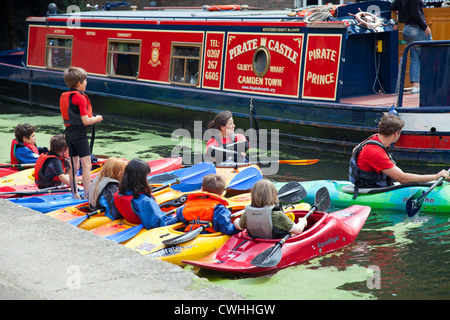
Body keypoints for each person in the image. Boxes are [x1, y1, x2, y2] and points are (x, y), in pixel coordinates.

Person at [349, 113, 449, 197]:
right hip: (370, 191)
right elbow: (402, 179)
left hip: (370, 185)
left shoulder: (374, 138)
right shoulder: (375, 152)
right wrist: (436, 176)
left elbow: (355, 150)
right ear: (396, 133)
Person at [60, 66, 103, 200]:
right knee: (86, 164)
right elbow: (85, 120)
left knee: (74, 165)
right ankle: (87, 195)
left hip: (68, 134)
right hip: (79, 134)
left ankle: (75, 194)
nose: (86, 83)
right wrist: (97, 118)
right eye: (85, 81)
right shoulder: (81, 98)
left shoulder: (64, 96)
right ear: (79, 83)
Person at [234, 179, 307, 238]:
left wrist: (236, 220)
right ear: (274, 195)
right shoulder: (278, 216)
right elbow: (298, 230)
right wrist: (303, 221)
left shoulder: (247, 214)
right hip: (276, 242)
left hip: (256, 240)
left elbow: (239, 226)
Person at [169, 174, 239, 235]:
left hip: (189, 233)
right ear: (222, 193)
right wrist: (238, 229)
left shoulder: (188, 204)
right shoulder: (219, 208)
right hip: (207, 236)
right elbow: (226, 228)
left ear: (202, 189)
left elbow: (179, 217)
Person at [113, 158, 172, 229]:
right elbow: (156, 223)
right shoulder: (143, 200)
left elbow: (116, 215)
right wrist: (180, 214)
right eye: (147, 175)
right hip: (146, 225)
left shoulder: (119, 193)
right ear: (142, 178)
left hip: (130, 222)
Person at [391, 0, 432, 93]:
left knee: (415, 58)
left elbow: (393, 6)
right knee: (429, 56)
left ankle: (416, 86)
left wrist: (402, 11)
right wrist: (425, 27)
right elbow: (415, 13)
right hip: (416, 29)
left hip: (407, 30)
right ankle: (430, 84)